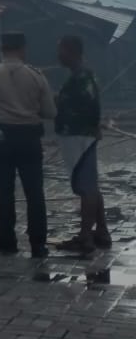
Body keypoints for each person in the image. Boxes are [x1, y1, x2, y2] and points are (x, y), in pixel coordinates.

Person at [0, 32, 56, 259]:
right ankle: (38, 245)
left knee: (2, 191)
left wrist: (0, 111)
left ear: (2, 48)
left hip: (0, 139)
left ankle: (7, 240)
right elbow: (50, 112)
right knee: (34, 193)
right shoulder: (37, 76)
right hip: (29, 139)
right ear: (23, 49)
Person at [54, 35, 111, 255]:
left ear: (71, 51)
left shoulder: (82, 76)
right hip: (81, 135)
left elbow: (90, 106)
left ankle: (85, 237)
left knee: (86, 187)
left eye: (61, 50)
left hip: (79, 136)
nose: (58, 55)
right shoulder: (80, 76)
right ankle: (102, 231)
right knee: (91, 185)